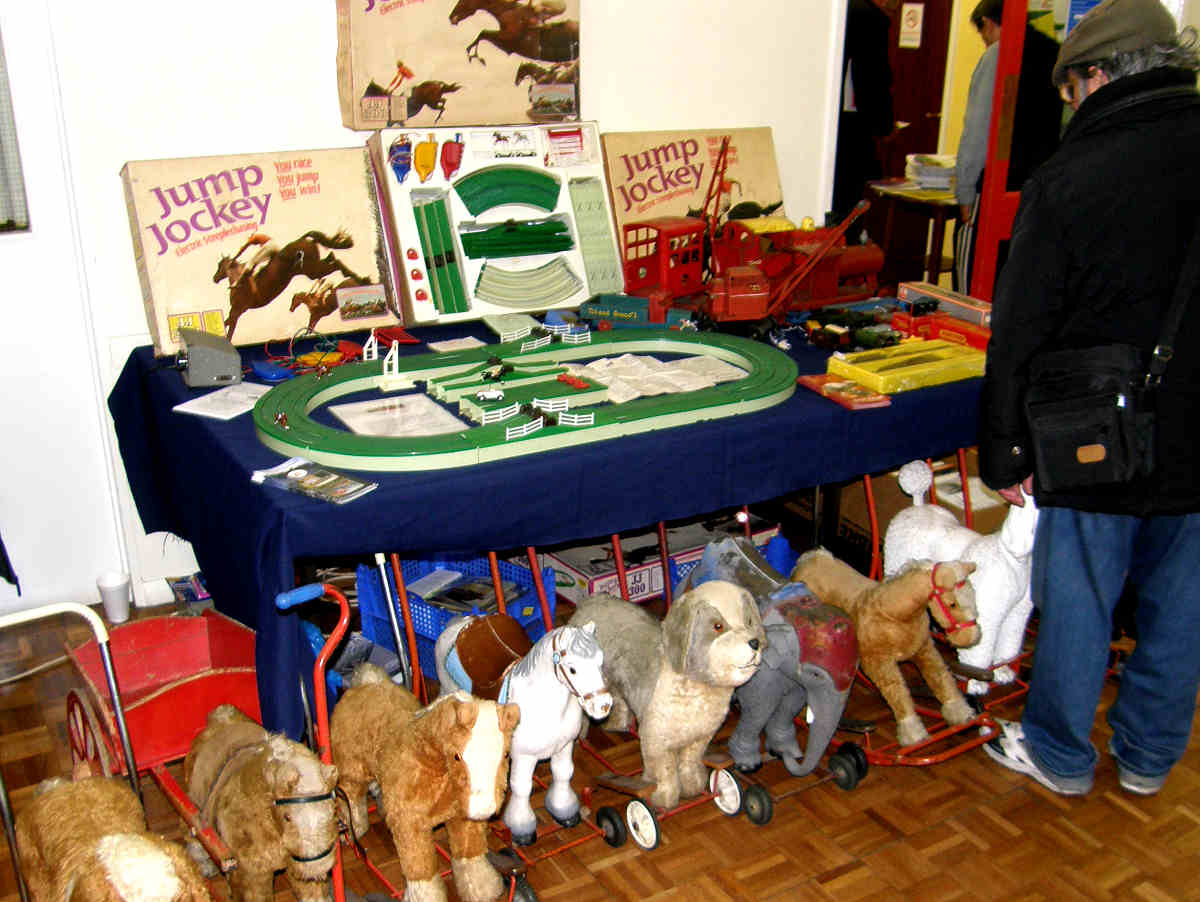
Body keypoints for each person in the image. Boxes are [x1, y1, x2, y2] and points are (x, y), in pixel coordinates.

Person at [977, 0, 1200, 797]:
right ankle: (1148, 758)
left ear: (1097, 76)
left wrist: (1005, 447)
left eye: (1071, 89)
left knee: (1078, 595)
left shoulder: (1073, 175)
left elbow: (1021, 327)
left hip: (1092, 426)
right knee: (1182, 606)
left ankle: (1062, 753)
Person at [953, 0, 1062, 292]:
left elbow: (978, 130)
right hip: (1037, 187)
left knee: (973, 285)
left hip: (994, 184)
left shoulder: (998, 57)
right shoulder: (1054, 52)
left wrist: (964, 192)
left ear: (988, 23)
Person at [831, 0, 896, 223]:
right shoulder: (870, 18)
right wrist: (885, 126)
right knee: (848, 203)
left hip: (833, 122)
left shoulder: (842, 9)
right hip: (851, 129)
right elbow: (873, 79)